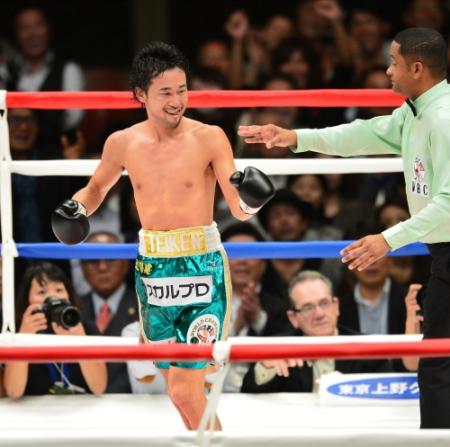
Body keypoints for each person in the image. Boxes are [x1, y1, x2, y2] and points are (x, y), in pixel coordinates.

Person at [51, 42, 274, 430]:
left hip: (202, 267)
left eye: (182, 90)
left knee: (184, 391)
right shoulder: (122, 142)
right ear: (141, 94)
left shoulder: (209, 137)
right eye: (166, 92)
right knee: (178, 389)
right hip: (153, 270)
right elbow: (96, 188)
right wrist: (77, 207)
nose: (177, 101)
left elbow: (239, 208)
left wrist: (252, 201)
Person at [238, 27, 450, 428]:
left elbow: (449, 202)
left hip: (447, 246)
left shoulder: (443, 119)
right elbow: (363, 134)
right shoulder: (416, 111)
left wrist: (388, 238)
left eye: (394, 62)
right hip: (441, 251)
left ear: (417, 69)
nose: (387, 71)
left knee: (438, 363)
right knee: (438, 359)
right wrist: (294, 137)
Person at [241, 270, 390, 393]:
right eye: (308, 307)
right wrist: (266, 367)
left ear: (336, 306)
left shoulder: (367, 348)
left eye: (324, 303)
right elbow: (248, 394)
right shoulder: (279, 349)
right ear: (293, 318)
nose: (319, 314)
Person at [3, 262, 107, 399]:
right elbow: (14, 392)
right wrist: (23, 338)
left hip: (81, 408)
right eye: (42, 292)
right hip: (33, 410)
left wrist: (80, 340)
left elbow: (99, 388)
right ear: (27, 299)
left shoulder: (85, 327)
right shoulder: (16, 331)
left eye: (59, 290)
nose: (53, 297)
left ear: (68, 295)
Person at [79, 231, 138, 393]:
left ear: (126, 263)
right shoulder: (73, 310)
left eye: (111, 258)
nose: (102, 267)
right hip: (81, 402)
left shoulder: (146, 308)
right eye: (93, 260)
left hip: (134, 401)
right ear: (82, 266)